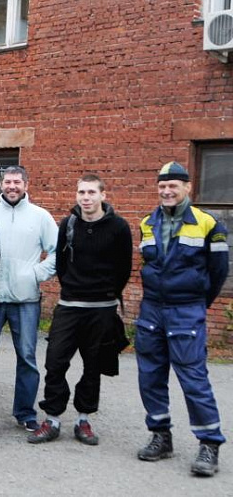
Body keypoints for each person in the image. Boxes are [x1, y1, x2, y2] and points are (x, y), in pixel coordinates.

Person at [135, 162, 229, 477]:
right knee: (150, 376)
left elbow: (218, 272)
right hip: (151, 309)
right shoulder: (147, 222)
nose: (167, 191)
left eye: (174, 185)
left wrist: (199, 303)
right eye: (162, 186)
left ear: (188, 187)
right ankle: (161, 436)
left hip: (186, 309)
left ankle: (209, 444)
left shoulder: (208, 223)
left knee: (193, 379)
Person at [27, 174, 132, 446]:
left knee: (93, 367)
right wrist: (73, 288)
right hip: (70, 306)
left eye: (91, 193)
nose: (86, 198)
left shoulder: (119, 227)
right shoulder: (68, 224)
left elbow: (124, 268)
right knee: (55, 362)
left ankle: (83, 419)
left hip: (102, 309)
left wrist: (106, 293)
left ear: (103, 195)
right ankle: (52, 419)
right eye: (81, 192)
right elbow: (61, 264)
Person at [0, 165, 57, 432]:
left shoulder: (40, 217)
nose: (12, 186)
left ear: (26, 184)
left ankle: (25, 412)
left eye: (17, 182)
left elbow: (57, 252)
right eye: (8, 182)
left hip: (25, 299)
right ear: (1, 185)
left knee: (27, 356)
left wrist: (35, 274)